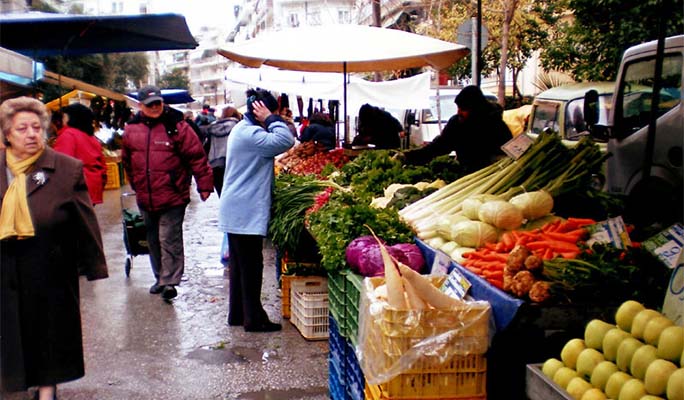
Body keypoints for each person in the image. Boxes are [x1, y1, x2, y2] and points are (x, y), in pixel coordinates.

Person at [0, 96, 108, 400]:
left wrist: (93, 265)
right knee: (11, 332)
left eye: (37, 127)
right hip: (5, 268)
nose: (31, 134)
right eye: (22, 128)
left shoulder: (65, 169)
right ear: (7, 133)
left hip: (49, 266)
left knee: (48, 333)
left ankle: (47, 392)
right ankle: (17, 384)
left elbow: (84, 219)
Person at [122, 85, 213, 300]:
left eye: (158, 103)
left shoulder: (177, 126)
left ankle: (170, 281)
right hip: (146, 194)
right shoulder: (131, 128)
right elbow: (127, 160)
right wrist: (134, 183)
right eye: (149, 104)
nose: (155, 107)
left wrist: (204, 184)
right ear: (140, 105)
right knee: (152, 238)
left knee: (168, 237)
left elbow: (197, 156)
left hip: (173, 194)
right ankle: (159, 277)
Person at [218, 88, 295, 332]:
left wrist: (268, 118)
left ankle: (238, 315)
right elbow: (286, 140)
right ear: (260, 111)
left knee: (241, 265)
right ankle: (254, 319)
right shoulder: (251, 134)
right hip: (244, 208)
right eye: (273, 111)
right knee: (252, 264)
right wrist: (271, 119)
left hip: (238, 206)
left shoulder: (242, 129)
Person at [400, 85, 513, 172]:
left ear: (476, 108)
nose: (459, 112)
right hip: (464, 174)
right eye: (458, 107)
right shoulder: (456, 123)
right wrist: (409, 156)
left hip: (491, 175)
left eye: (463, 109)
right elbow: (439, 146)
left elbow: (510, 153)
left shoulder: (496, 125)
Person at [53, 103, 108, 206]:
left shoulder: (68, 135)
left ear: (71, 118)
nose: (63, 119)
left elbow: (62, 166)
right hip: (91, 188)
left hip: (76, 190)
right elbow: (103, 166)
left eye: (64, 116)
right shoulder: (92, 138)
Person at [205, 106, 243, 196]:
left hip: (216, 165)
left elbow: (206, 147)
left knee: (222, 196)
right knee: (236, 196)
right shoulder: (239, 127)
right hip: (234, 164)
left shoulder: (213, 127)